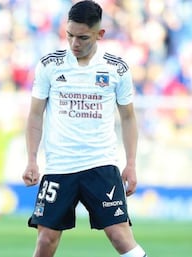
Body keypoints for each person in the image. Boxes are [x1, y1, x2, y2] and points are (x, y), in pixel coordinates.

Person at [22, 1, 148, 257]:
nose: (74, 43)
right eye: (69, 35)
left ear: (99, 34)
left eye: (82, 37)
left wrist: (131, 163)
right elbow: (35, 114)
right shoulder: (50, 64)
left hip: (100, 163)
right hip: (59, 166)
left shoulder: (117, 68)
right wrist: (32, 159)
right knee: (46, 241)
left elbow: (128, 118)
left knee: (120, 236)